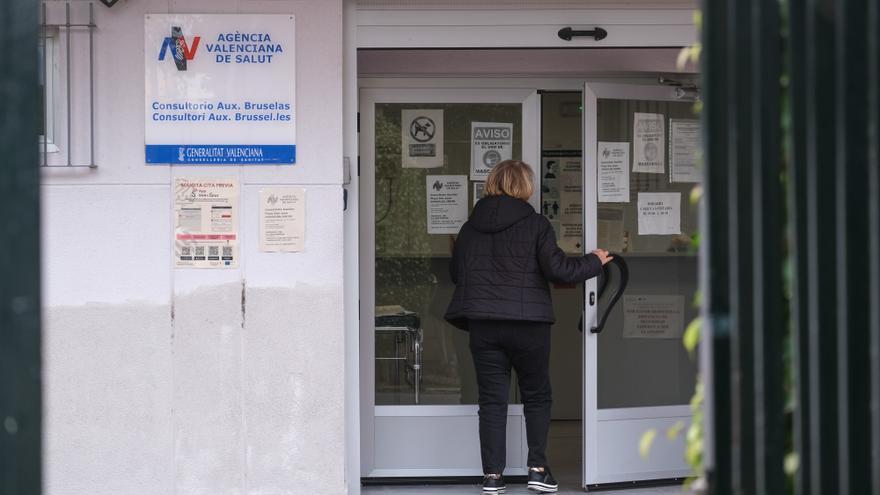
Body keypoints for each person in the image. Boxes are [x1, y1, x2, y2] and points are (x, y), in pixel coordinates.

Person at [445, 160, 612, 494]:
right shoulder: (536, 224)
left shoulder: (469, 228)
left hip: (484, 326)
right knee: (536, 395)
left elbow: (457, 275)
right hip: (528, 326)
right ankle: (537, 469)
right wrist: (595, 260)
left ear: (491, 183)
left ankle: (492, 475)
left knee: (492, 400)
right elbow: (559, 270)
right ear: (525, 186)